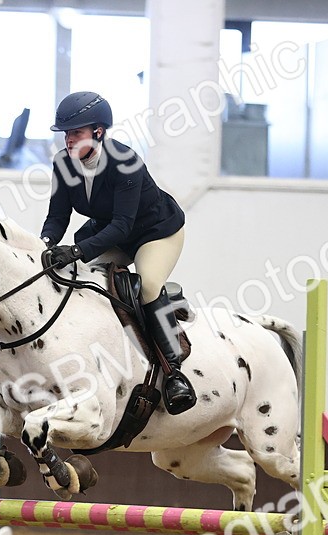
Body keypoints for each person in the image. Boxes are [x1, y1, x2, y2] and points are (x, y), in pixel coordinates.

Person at [39, 91, 196, 415]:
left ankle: (174, 374)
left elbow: (123, 226)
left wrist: (77, 250)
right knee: (83, 283)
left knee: (147, 285)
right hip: (111, 232)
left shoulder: (125, 162)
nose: (69, 140)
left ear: (98, 132)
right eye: (66, 134)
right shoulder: (63, 164)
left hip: (155, 232)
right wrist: (45, 244)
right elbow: (57, 216)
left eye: (76, 133)